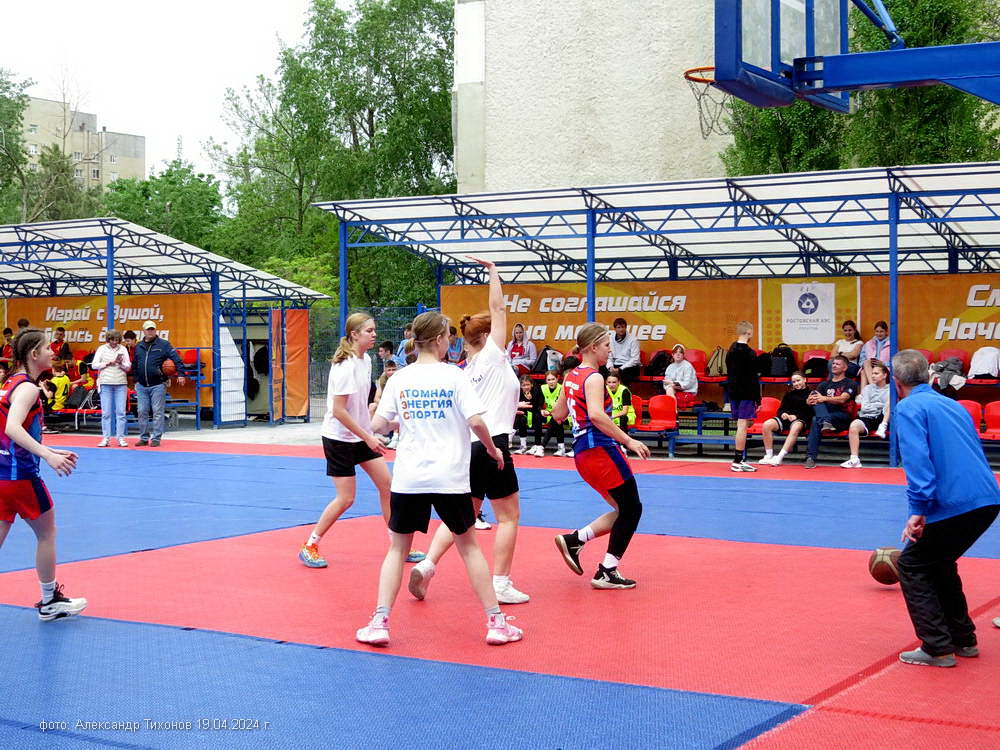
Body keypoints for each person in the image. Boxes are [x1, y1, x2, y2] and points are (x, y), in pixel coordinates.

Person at [358, 310, 523, 647]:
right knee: (469, 547)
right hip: (449, 476)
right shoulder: (454, 376)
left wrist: (368, 435)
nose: (451, 342)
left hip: (409, 477)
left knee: (397, 549)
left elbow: (379, 422)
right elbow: (476, 421)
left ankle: (379, 621)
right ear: (437, 340)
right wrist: (492, 449)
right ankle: (495, 622)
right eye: (448, 337)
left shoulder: (400, 379)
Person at [409, 258, 529, 605]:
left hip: (470, 447)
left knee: (465, 515)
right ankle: (501, 582)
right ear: (487, 337)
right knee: (509, 517)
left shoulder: (467, 369)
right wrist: (493, 273)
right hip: (493, 444)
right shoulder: (493, 356)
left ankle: (428, 565)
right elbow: (499, 308)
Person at [890, 349, 1000, 667]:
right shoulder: (953, 405)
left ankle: (937, 647)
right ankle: (963, 639)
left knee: (913, 564)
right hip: (985, 498)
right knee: (939, 563)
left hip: (954, 500)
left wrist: (918, 510)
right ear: (928, 375)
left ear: (896, 382)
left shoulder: (908, 407)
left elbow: (917, 460)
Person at [299, 313, 406, 568]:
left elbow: (360, 405)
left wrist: (381, 425)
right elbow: (338, 411)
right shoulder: (344, 367)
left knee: (388, 486)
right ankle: (310, 545)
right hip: (338, 439)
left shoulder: (366, 360)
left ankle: (397, 544)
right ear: (354, 334)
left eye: (374, 330)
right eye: (369, 330)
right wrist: (368, 436)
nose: (374, 334)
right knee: (346, 499)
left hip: (360, 436)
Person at [551, 323, 652, 589]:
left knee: (624, 509)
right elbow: (596, 415)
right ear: (593, 347)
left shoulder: (571, 376)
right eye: (607, 345)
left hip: (582, 453)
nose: (610, 350)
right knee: (632, 508)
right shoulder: (594, 377)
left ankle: (576, 540)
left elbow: (558, 414)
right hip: (600, 449)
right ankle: (606, 569)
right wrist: (628, 440)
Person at [0, 328, 85, 622]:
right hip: (21, 477)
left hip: (3, 474)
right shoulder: (28, 389)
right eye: (48, 348)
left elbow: (10, 433)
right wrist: (47, 456)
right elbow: (12, 428)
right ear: (34, 354)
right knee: (47, 534)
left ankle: (51, 601)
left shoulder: (9, 383)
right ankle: (50, 601)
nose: (52, 352)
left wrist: (49, 450)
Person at [132, 321, 186, 447]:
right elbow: (135, 364)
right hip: (141, 385)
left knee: (157, 411)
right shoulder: (139, 346)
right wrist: (136, 380)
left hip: (158, 384)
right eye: (148, 329)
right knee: (142, 411)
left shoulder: (164, 344)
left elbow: (177, 359)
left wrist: (181, 374)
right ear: (143, 331)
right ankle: (144, 438)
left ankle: (156, 438)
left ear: (155, 330)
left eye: (152, 329)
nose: (150, 331)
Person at [802, 354, 859, 468]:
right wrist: (809, 401)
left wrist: (824, 398)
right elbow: (815, 399)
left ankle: (811, 456)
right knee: (816, 414)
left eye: (837, 364)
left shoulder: (850, 383)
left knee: (816, 418)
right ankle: (810, 458)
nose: (834, 366)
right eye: (833, 363)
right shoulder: (824, 384)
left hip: (842, 417)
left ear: (845, 368)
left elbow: (842, 399)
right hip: (826, 416)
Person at [841, 360, 890, 468]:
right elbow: (865, 407)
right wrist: (879, 405)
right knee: (854, 425)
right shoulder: (867, 389)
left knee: (890, 404)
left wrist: (878, 406)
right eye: (872, 373)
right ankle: (854, 459)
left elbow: (888, 406)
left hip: (884, 418)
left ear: (884, 375)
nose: (873, 376)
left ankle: (883, 426)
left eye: (876, 373)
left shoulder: (891, 389)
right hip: (868, 417)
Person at [725, 321, 761, 472]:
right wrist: (758, 399)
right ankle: (737, 461)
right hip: (746, 393)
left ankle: (740, 459)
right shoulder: (750, 353)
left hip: (734, 393)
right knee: (742, 426)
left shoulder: (730, 350)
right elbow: (753, 378)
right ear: (749, 333)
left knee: (743, 425)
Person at [759, 371, 813, 466]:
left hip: (801, 420)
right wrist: (783, 414)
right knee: (767, 425)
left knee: (795, 427)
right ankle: (769, 455)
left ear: (804, 380)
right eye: (794, 382)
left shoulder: (811, 394)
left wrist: (796, 417)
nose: (796, 383)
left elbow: (811, 413)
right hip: (785, 419)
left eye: (798, 380)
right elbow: (781, 409)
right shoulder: (789, 394)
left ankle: (780, 457)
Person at [91, 330, 131, 448]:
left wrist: (121, 364)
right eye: (112, 340)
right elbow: (94, 365)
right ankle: (105, 438)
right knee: (106, 413)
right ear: (108, 339)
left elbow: (128, 366)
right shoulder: (101, 349)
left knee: (121, 412)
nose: (114, 342)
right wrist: (107, 363)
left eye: (117, 340)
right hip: (105, 383)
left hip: (121, 383)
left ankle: (121, 438)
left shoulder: (123, 349)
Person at [532, 369, 573, 457]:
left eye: (553, 379)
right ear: (546, 381)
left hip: (565, 416)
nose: (551, 382)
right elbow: (538, 404)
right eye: (549, 380)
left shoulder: (562, 388)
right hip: (550, 414)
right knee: (538, 416)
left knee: (556, 419)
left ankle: (542, 447)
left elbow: (566, 406)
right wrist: (542, 410)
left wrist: (558, 414)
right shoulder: (542, 388)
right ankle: (537, 445)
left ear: (557, 379)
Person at [512, 373, 543, 454]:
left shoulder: (537, 390)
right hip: (524, 414)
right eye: (523, 385)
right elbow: (516, 406)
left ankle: (537, 445)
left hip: (536, 413)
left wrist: (531, 399)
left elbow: (539, 406)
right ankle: (523, 446)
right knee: (520, 417)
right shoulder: (518, 392)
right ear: (520, 386)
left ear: (532, 384)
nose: (526, 387)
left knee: (537, 417)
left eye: (528, 384)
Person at [663, 343, 698, 409]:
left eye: (680, 352)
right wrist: (671, 387)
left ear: (683, 355)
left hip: (687, 392)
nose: (678, 354)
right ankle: (673, 411)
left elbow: (687, 384)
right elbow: (666, 383)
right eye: (676, 352)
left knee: (668, 399)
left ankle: (673, 412)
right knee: (669, 391)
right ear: (672, 355)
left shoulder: (688, 366)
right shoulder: (670, 367)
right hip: (674, 391)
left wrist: (673, 383)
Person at [608, 318, 641, 385]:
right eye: (618, 327)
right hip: (615, 365)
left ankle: (623, 390)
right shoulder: (610, 338)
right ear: (615, 329)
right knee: (602, 370)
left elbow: (635, 359)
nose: (621, 329)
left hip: (630, 366)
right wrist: (610, 367)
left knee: (624, 374)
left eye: (623, 327)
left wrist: (620, 369)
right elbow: (609, 356)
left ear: (626, 328)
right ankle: (606, 390)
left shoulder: (633, 339)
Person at [860, 320, 890, 387]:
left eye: (881, 331)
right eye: (877, 331)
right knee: (864, 368)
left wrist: (883, 363)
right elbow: (861, 360)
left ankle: (873, 387)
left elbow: (896, 362)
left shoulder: (892, 344)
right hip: (870, 368)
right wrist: (870, 363)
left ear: (886, 332)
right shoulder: (868, 343)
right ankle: (865, 392)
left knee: (865, 371)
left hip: (885, 369)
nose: (879, 334)